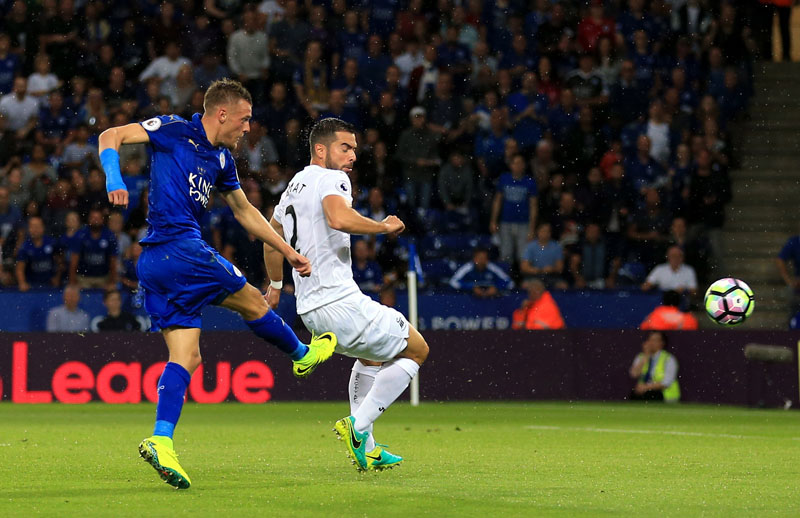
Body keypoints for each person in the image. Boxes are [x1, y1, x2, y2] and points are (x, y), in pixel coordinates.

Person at [99, 78, 337, 489]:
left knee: (187, 358)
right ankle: (300, 354)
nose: (248, 128)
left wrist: (286, 249)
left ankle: (161, 440)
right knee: (254, 302)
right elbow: (111, 134)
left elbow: (245, 212)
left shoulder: (222, 161)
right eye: (244, 120)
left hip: (156, 265)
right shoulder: (173, 130)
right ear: (222, 113)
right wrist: (114, 178)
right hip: (178, 249)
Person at [266, 118, 428, 472]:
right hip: (339, 302)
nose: (353, 155)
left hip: (310, 310)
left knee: (371, 359)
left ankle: (367, 448)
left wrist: (276, 286)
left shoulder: (294, 185)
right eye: (345, 147)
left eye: (355, 148)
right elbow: (338, 218)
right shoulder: (332, 179)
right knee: (417, 349)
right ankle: (357, 426)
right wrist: (383, 227)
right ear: (321, 150)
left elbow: (271, 235)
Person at [629, 331, 680, 402]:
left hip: (665, 395)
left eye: (655, 340)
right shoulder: (641, 356)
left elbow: (667, 382)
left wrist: (646, 387)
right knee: (634, 395)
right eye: (650, 340)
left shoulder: (669, 359)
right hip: (645, 394)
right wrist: (645, 357)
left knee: (652, 395)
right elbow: (634, 374)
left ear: (662, 343)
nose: (651, 343)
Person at [449, 247, 514, 298]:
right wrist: (471, 288)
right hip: (470, 300)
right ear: (474, 259)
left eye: (484, 258)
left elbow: (510, 283)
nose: (482, 261)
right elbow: (453, 282)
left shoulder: (492, 268)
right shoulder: (467, 267)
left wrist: (497, 288)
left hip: (492, 301)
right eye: (479, 258)